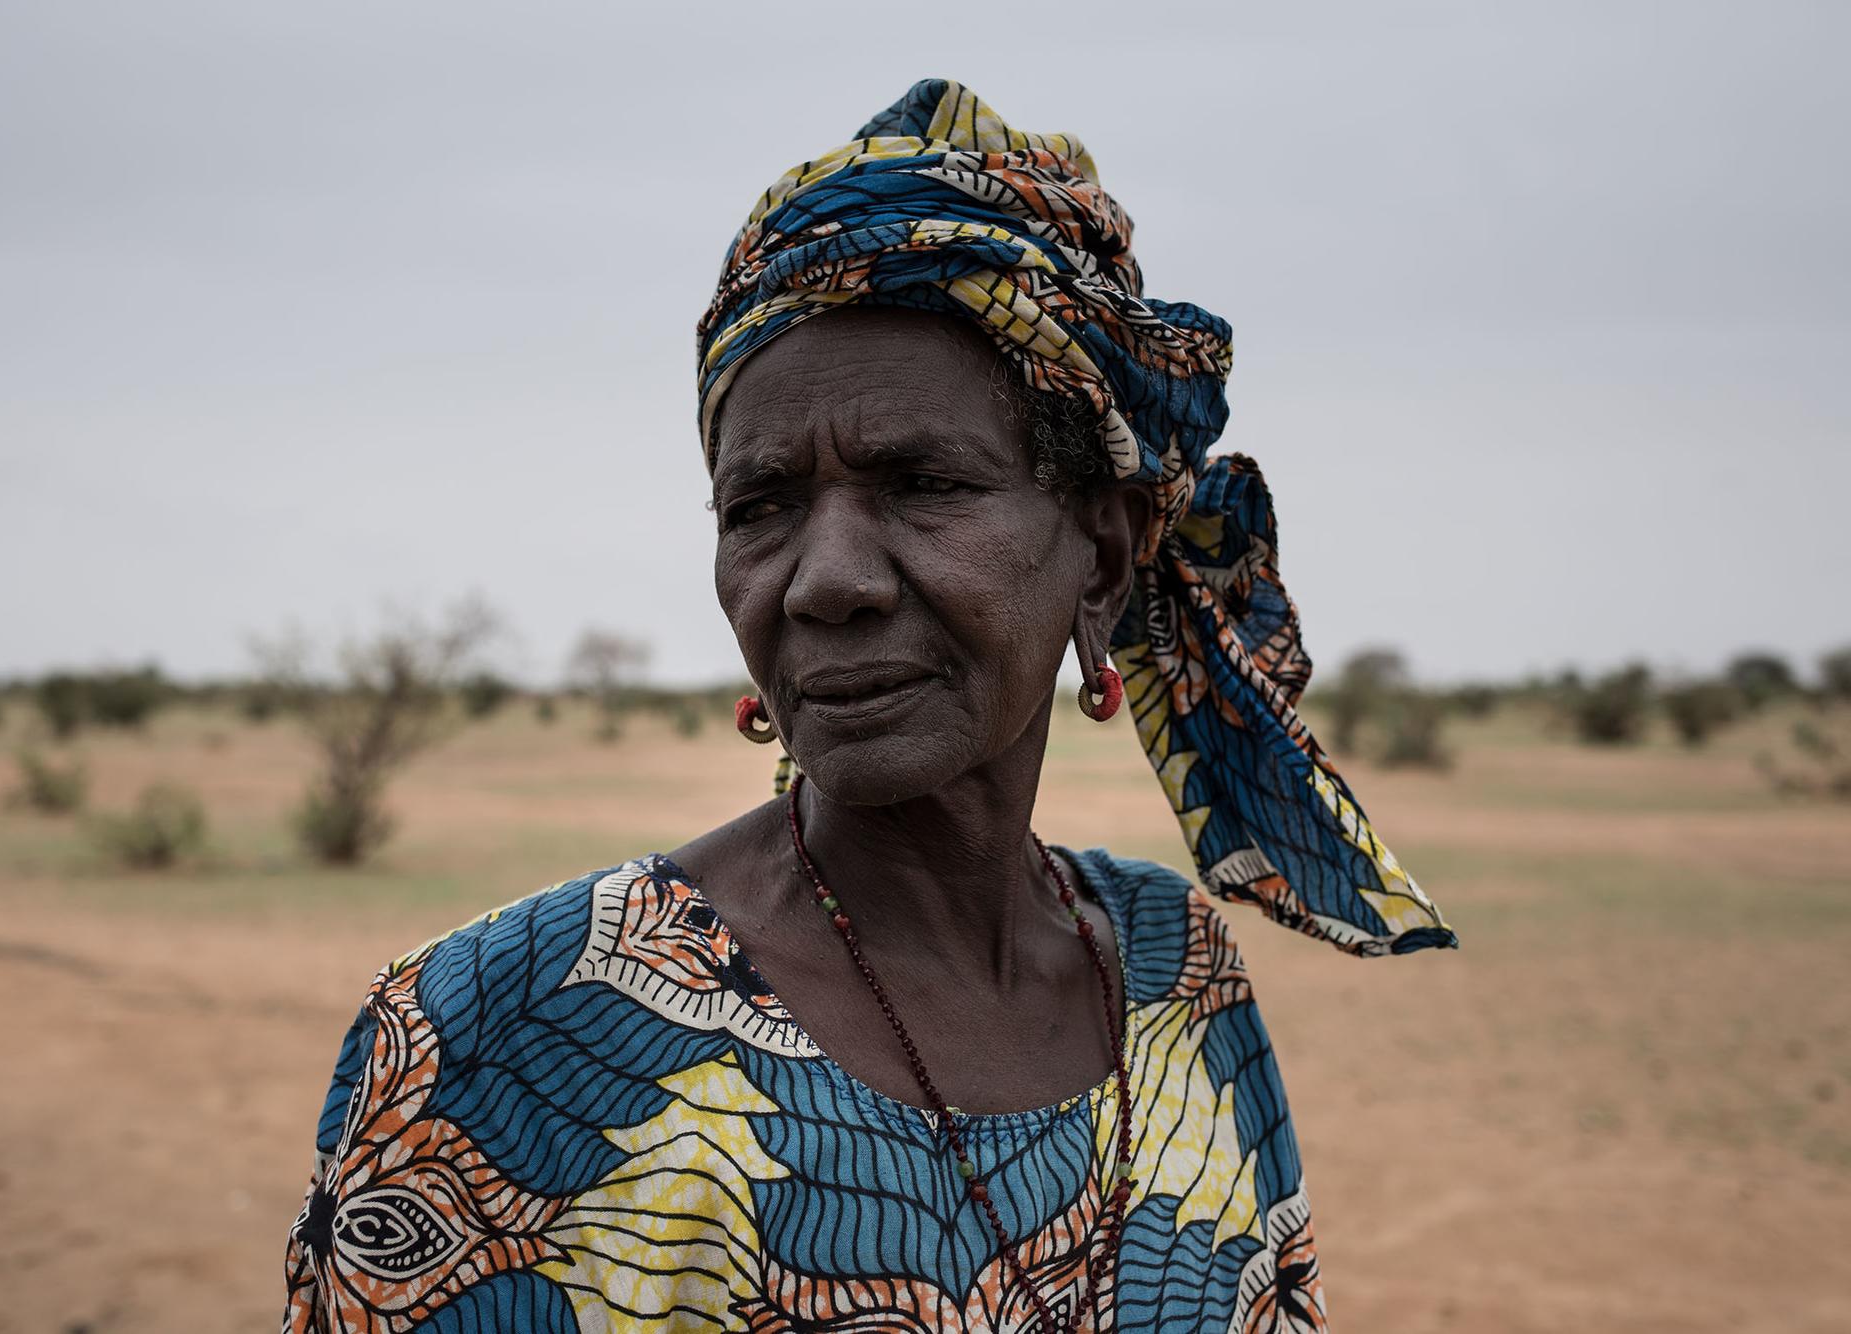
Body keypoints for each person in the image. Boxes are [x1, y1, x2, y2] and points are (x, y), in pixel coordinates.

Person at [282, 78, 1454, 1334]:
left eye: (922, 481)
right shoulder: (496, 1030)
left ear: (1102, 559)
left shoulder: (1177, 977)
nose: (824, 579)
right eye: (761, 506)